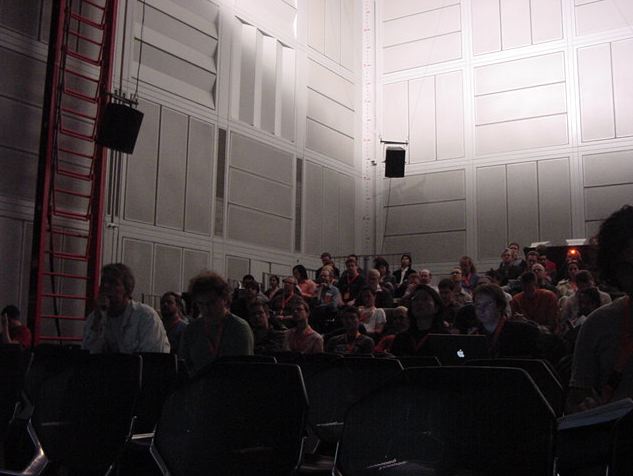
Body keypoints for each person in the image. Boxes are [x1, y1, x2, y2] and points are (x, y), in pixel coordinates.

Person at [567, 205, 633, 412]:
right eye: (627, 268)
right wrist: (585, 407)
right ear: (614, 271)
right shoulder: (598, 324)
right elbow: (576, 399)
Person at [82, 263, 170, 354]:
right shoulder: (95, 318)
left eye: (113, 283)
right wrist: (97, 322)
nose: (106, 286)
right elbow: (87, 353)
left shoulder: (146, 317)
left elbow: (152, 356)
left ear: (127, 289)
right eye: (103, 282)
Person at [178, 272, 254, 374]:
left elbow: (244, 370)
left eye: (212, 303)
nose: (206, 309)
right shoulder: (191, 330)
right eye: (201, 304)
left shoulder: (239, 328)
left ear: (225, 299)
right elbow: (184, 367)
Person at [473, 284, 541, 358]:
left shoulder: (523, 332)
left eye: (488, 304)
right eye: (478, 304)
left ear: (500, 305)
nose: (481, 309)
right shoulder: (474, 336)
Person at [390, 284, 446, 356]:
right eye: (415, 299)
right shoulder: (401, 338)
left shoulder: (445, 337)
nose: (419, 303)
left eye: (425, 299)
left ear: (436, 308)